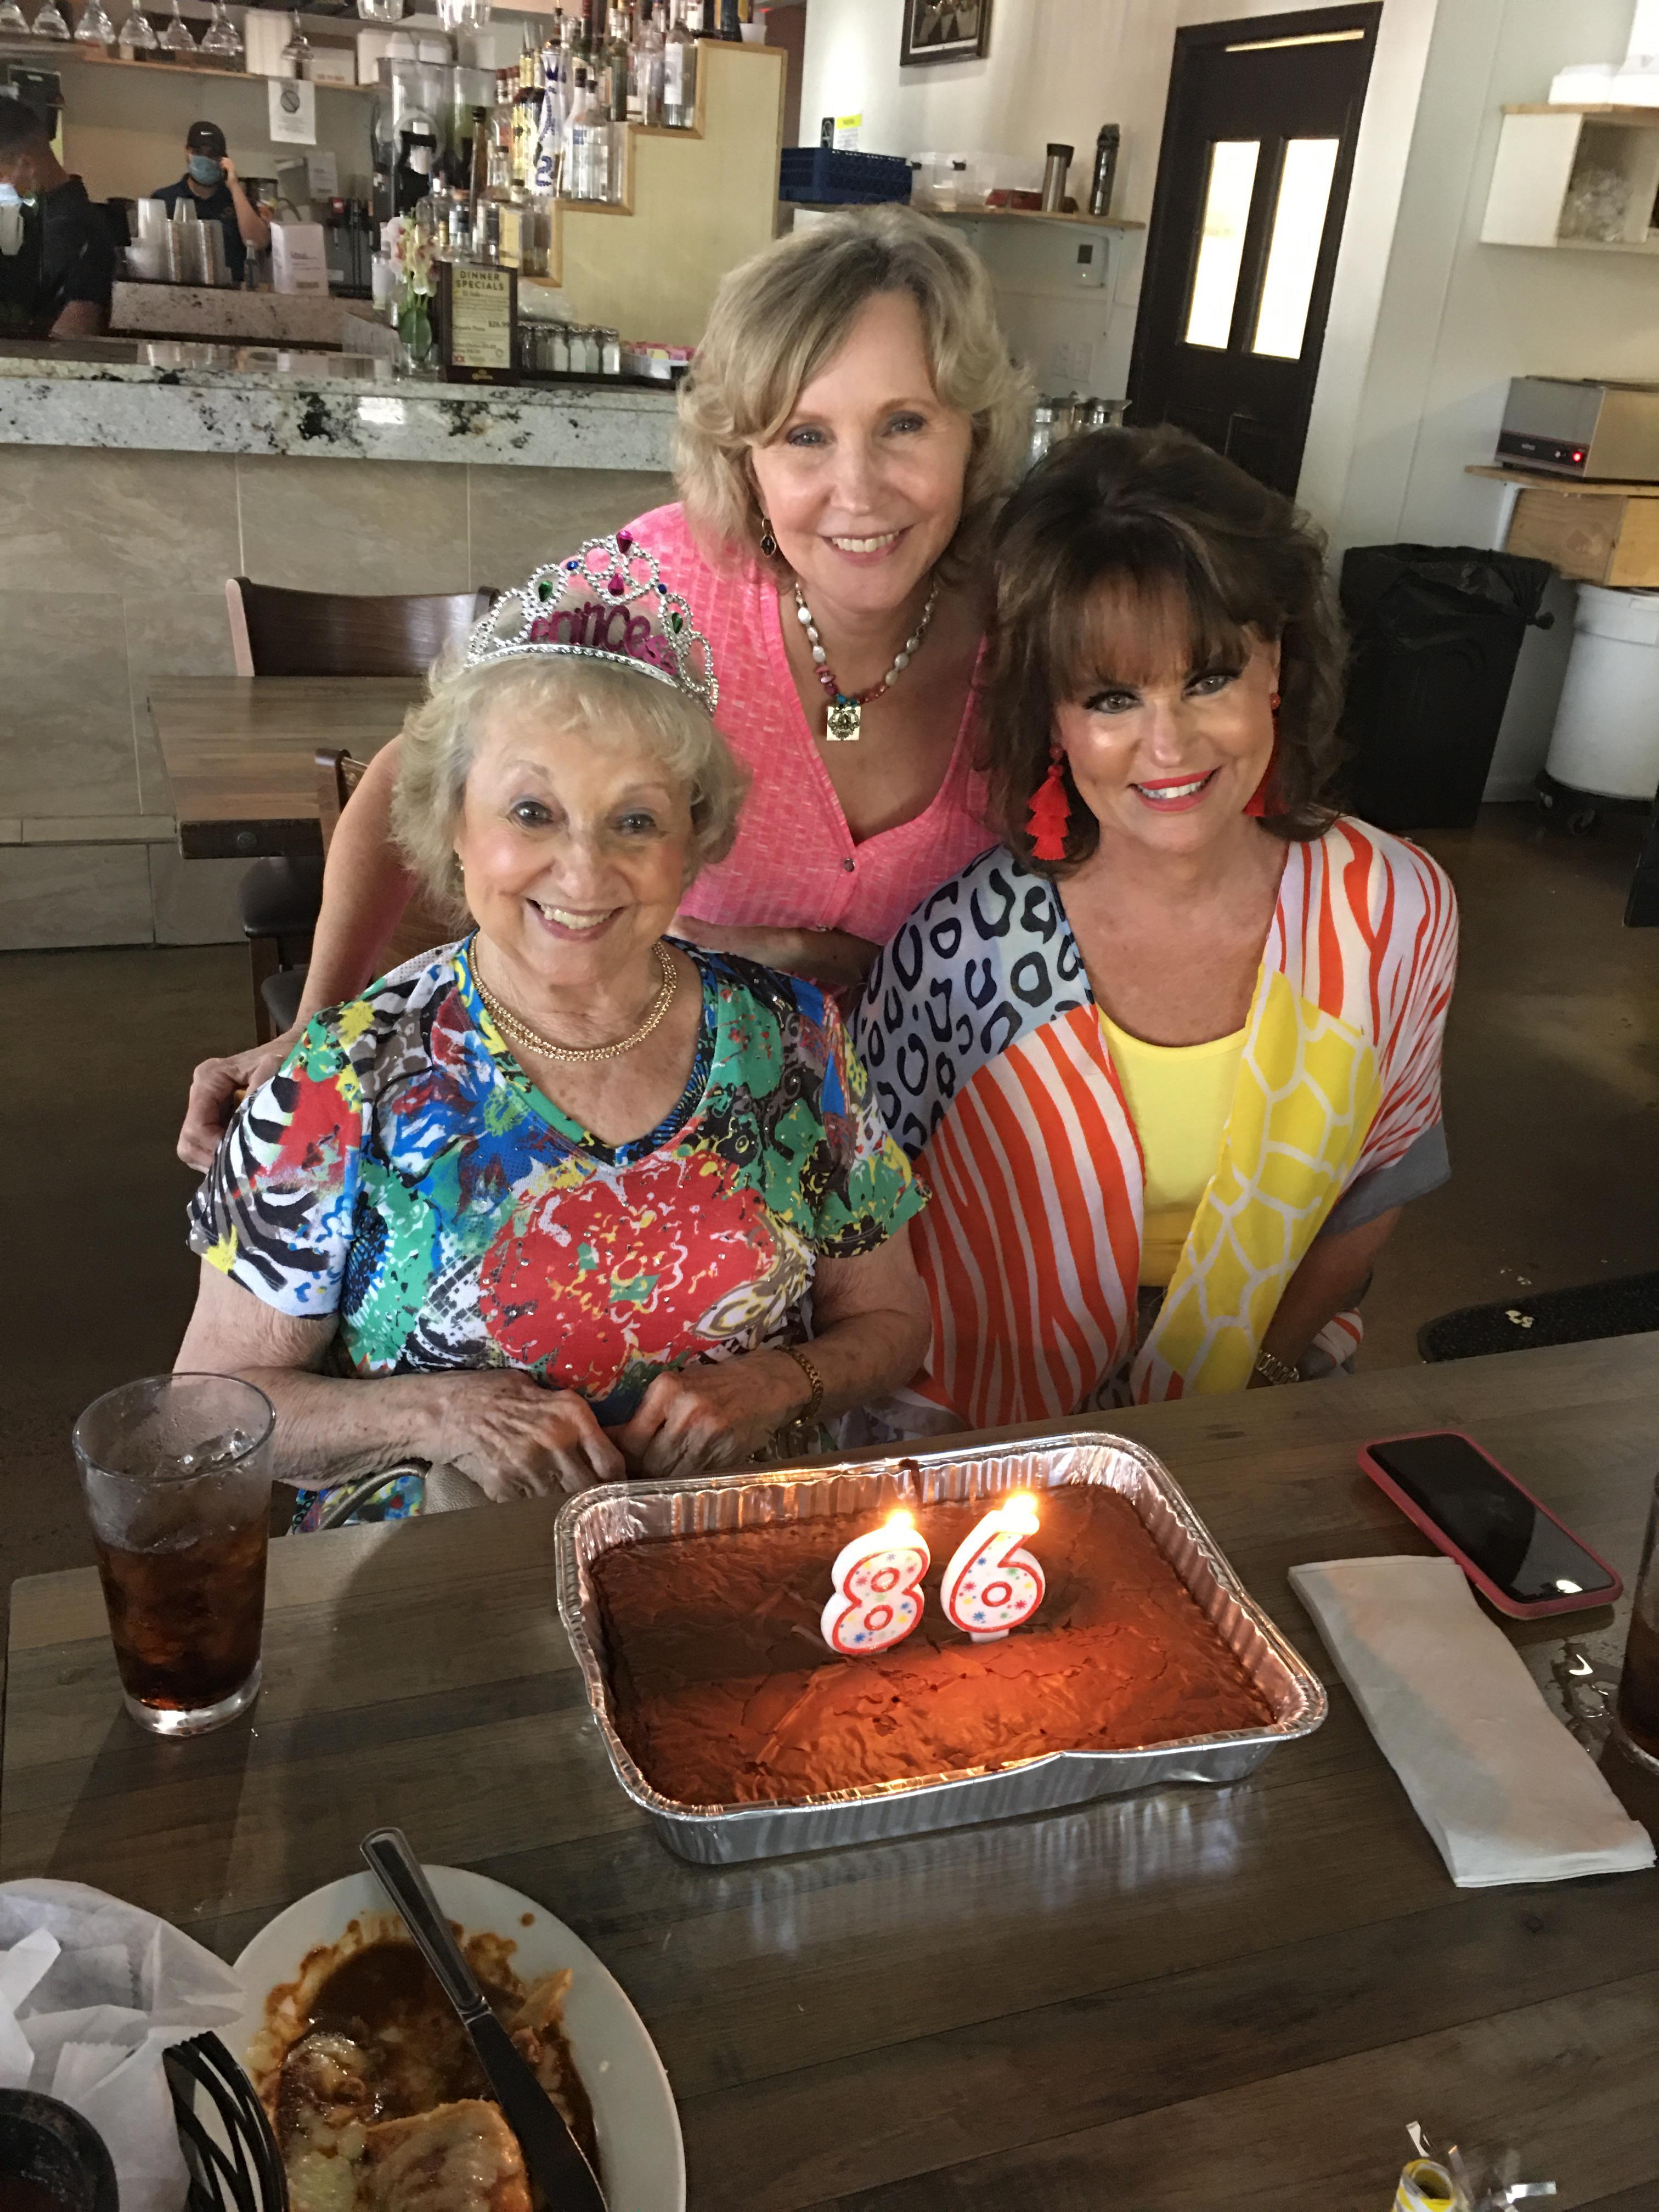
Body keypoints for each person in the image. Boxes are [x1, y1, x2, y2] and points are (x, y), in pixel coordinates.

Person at [176, 204, 1030, 1169]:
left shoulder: (1036, 620)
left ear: (975, 431)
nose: (858, 487)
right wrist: (318, 1034)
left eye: (904, 423)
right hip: (654, 1134)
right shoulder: (660, 586)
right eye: (803, 435)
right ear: (744, 464)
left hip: (937, 1148)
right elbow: (413, 778)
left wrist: (821, 964)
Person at [175, 533, 930, 1520]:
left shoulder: (793, 1042)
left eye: (633, 821)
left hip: (730, 1552)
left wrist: (777, 1384)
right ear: (452, 824)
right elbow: (209, 1413)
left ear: (690, 842)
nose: (582, 872)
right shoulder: (341, 1081)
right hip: (441, 1584)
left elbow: (890, 1320)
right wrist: (438, 1416)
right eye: (531, 811)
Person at [853, 427, 1459, 1431]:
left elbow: (1376, 1182)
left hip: (1263, 1394)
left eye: (1209, 677)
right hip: (983, 1418)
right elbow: (864, 1225)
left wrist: (1237, 1399)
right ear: (1050, 716)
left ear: (1278, 660)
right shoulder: (959, 951)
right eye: (1111, 697)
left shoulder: (1393, 907)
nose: (1167, 745)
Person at [0, 95, 115, 340]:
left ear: (27, 165)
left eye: (1, 176)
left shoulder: (78, 230)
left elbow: (72, 336)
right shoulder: (32, 216)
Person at [151, 122, 270, 286]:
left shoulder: (238, 201)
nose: (205, 159)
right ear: (187, 152)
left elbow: (257, 242)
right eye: (198, 152)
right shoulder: (165, 200)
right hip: (177, 294)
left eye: (212, 154)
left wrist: (234, 186)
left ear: (224, 159)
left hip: (232, 296)